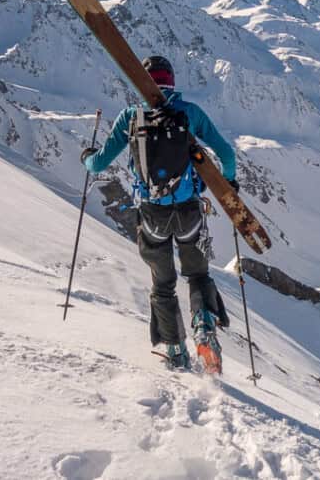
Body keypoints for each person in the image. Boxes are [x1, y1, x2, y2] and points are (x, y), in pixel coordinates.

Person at [81, 55, 236, 371]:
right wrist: (229, 182)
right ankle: (204, 328)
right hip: (190, 211)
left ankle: (177, 350)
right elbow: (226, 153)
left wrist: (87, 156)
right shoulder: (189, 113)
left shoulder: (131, 117)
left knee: (162, 283)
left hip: (152, 215)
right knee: (197, 274)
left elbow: (97, 164)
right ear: (173, 83)